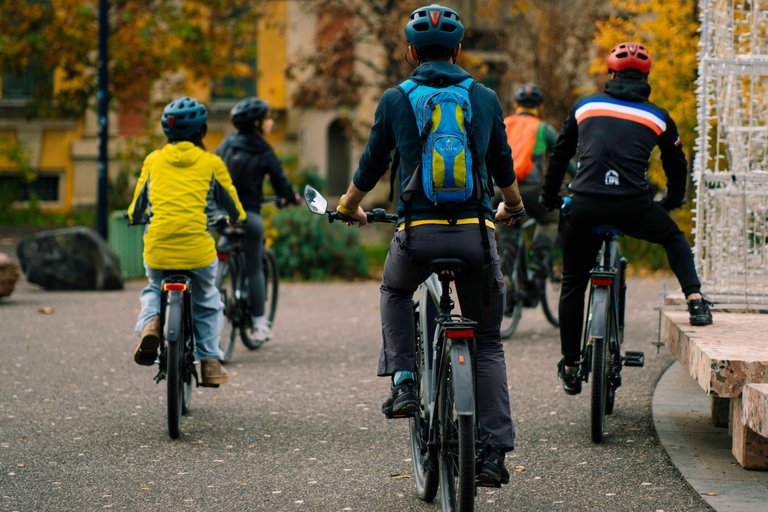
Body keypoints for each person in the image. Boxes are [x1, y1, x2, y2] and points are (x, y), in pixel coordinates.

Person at [334, 4, 524, 486]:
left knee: (396, 292)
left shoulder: (397, 98)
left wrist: (349, 205)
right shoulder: (482, 97)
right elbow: (503, 165)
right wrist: (513, 208)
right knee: (486, 342)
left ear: (410, 52)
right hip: (476, 235)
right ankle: (493, 453)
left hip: (416, 236)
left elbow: (372, 164)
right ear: (459, 50)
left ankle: (402, 383)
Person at [540, 42, 714, 396]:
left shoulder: (585, 105)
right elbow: (676, 163)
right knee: (672, 237)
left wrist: (549, 195)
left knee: (574, 281)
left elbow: (560, 152)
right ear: (646, 78)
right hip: (633, 206)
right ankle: (695, 300)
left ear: (610, 75)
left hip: (585, 204)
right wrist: (674, 199)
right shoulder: (658, 115)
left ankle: (571, 364)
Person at [129, 96, 246, 387]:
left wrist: (135, 217)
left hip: (158, 247)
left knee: (155, 287)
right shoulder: (210, 162)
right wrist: (236, 218)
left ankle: (151, 324)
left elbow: (136, 207)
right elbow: (233, 205)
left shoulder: (153, 160)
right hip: (196, 250)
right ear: (201, 131)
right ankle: (209, 361)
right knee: (207, 299)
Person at [215, 97, 300, 342]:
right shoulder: (263, 149)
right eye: (268, 118)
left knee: (222, 249)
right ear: (256, 123)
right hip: (249, 216)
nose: (271, 122)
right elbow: (280, 183)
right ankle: (260, 325)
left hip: (223, 217)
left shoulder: (225, 145)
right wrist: (291, 198)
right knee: (253, 266)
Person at [500, 84, 576, 271]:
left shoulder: (502, 124)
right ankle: (537, 259)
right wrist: (578, 178)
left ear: (516, 105)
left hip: (499, 190)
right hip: (530, 190)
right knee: (552, 219)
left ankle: (505, 269)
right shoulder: (542, 128)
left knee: (503, 230)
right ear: (540, 107)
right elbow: (562, 157)